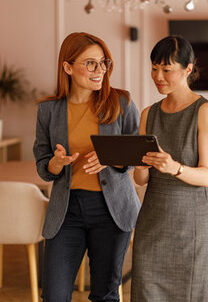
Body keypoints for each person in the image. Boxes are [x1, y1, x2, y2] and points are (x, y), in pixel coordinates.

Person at [33, 32, 140, 302]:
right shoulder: (49, 110)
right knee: (54, 296)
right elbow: (42, 163)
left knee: (105, 294)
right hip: (66, 211)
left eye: (103, 62)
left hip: (111, 210)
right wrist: (55, 164)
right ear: (67, 67)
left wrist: (110, 156)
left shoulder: (121, 102)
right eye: (90, 63)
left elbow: (138, 151)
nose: (100, 70)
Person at [131, 35, 208, 302]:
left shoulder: (204, 111)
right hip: (152, 223)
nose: (158, 76)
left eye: (166, 69)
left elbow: (207, 176)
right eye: (154, 68)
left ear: (188, 69)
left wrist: (175, 168)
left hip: (189, 227)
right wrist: (142, 164)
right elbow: (140, 179)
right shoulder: (149, 113)